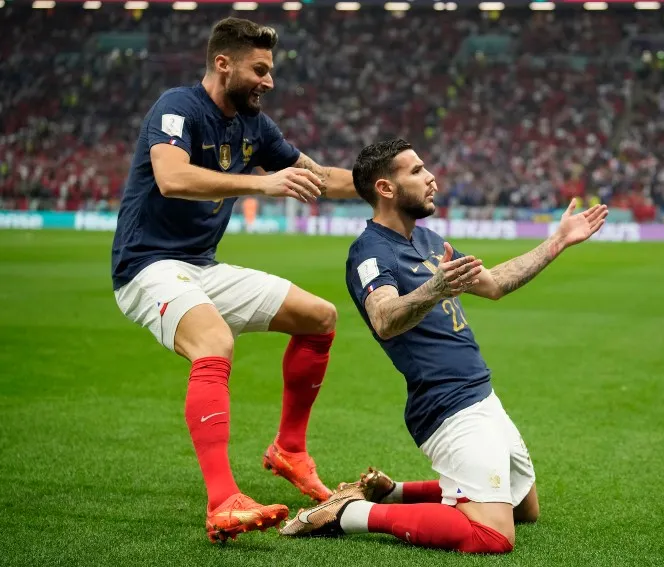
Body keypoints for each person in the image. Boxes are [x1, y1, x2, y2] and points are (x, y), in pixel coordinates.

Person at [279, 138, 608, 553]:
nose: (431, 177)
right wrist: (433, 289)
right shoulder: (370, 253)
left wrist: (557, 241)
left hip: (480, 392)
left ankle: (394, 491)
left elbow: (494, 284)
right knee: (493, 536)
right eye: (416, 171)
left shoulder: (429, 240)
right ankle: (348, 513)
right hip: (445, 403)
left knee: (525, 510)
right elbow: (383, 318)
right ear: (385, 188)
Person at [110, 17, 359, 543]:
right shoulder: (177, 107)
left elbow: (317, 176)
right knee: (215, 341)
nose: (269, 81)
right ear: (224, 64)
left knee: (319, 318)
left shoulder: (256, 127)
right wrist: (263, 185)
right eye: (260, 70)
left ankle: (289, 450)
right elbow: (172, 178)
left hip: (200, 265)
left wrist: (389, 182)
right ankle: (223, 501)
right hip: (146, 266)